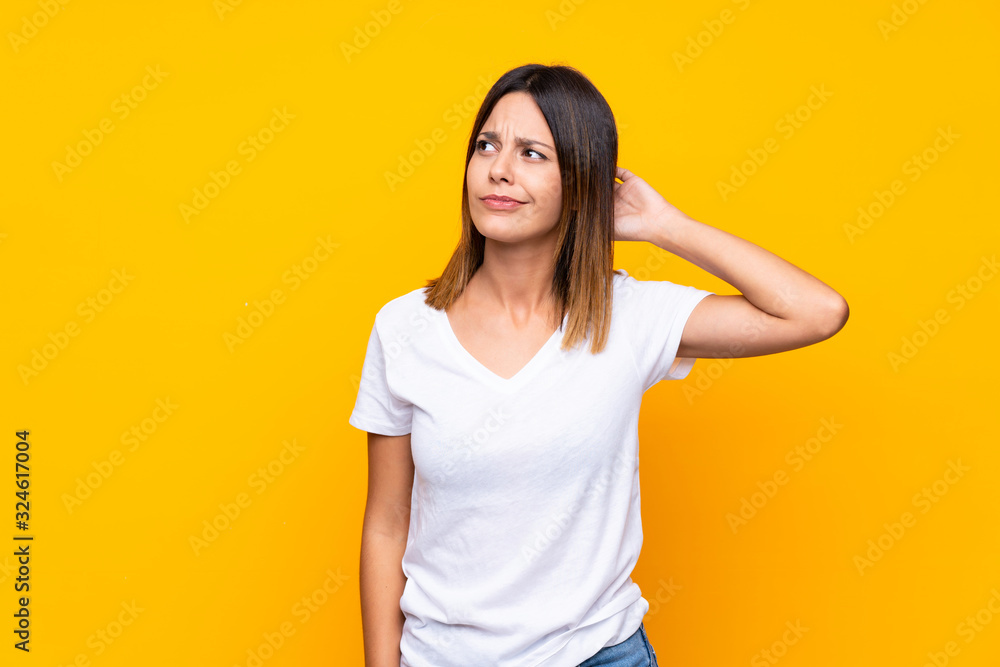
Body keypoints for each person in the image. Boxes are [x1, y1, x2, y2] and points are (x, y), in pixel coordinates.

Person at [351, 63, 848, 667]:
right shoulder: (405, 327)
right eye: (486, 145)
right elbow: (387, 522)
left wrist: (664, 226)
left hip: (597, 655)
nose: (499, 169)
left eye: (532, 153)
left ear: (581, 180)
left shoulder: (627, 316)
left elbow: (816, 313)